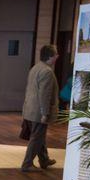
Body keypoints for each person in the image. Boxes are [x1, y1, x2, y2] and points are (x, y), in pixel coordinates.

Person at [20, 44, 59, 172]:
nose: (57, 56)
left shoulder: (35, 68)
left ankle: (44, 159)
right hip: (38, 112)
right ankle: (27, 164)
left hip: (29, 109)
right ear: (50, 57)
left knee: (39, 136)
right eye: (55, 54)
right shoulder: (47, 71)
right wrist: (44, 113)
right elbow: (44, 94)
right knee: (36, 138)